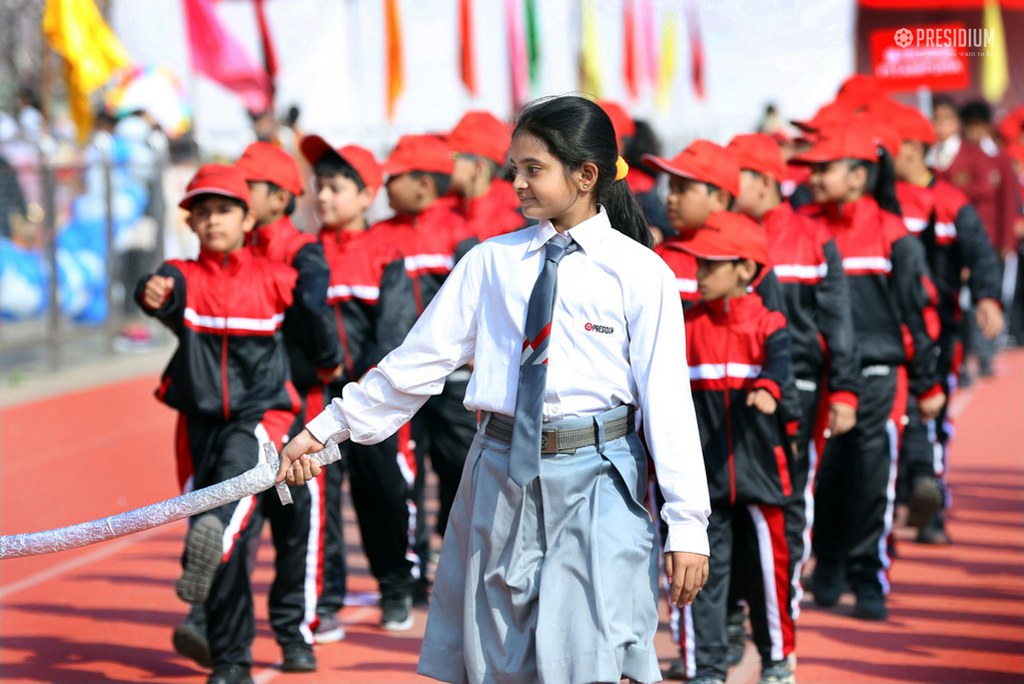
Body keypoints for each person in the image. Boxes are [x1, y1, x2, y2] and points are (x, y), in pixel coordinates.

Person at [276, 95, 711, 684]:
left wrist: (688, 524)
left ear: (586, 176)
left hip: (600, 479)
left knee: (591, 654)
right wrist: (323, 431)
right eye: (515, 168)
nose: (518, 184)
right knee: (501, 662)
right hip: (499, 476)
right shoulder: (491, 263)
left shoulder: (640, 272)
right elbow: (414, 366)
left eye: (534, 169)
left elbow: (668, 402)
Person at [135, 165, 299, 684]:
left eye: (223, 210)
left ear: (248, 218)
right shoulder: (185, 275)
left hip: (259, 419)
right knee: (219, 532)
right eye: (200, 213)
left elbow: (315, 337)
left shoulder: (276, 278)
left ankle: (235, 652)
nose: (211, 221)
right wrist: (149, 291)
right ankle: (224, 650)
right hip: (197, 423)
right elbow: (157, 289)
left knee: (225, 516)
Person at [794, 116, 945, 620]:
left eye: (825, 168)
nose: (814, 177)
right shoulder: (807, 226)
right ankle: (830, 562)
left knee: (871, 476)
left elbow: (919, 312)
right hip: (827, 378)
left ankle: (867, 575)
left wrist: (926, 383)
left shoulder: (891, 232)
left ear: (860, 175)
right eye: (811, 168)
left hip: (882, 375)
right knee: (828, 476)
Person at [728, 131, 860, 629]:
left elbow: (837, 321)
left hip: (799, 391)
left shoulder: (811, 237)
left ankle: (781, 609)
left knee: (787, 497)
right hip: (727, 389)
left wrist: (844, 389)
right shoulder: (716, 237)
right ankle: (734, 611)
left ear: (764, 183)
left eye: (734, 173)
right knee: (730, 501)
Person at [299, 134, 421, 632]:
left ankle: (396, 589)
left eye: (335, 187)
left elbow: (394, 332)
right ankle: (325, 603)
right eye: (319, 186)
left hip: (372, 403)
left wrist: (360, 393)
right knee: (319, 504)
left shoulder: (386, 253)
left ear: (368, 194)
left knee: (383, 496)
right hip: (312, 404)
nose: (323, 197)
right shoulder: (304, 252)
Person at [232, 141, 346, 671]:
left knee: (298, 516)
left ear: (279, 198)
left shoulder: (302, 252)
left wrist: (328, 366)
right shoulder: (231, 246)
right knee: (236, 517)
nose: (238, 196)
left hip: (301, 404)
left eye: (247, 187)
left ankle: (295, 631)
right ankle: (223, 637)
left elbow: (316, 317)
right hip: (242, 412)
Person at [674, 211, 800, 684]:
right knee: (697, 576)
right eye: (698, 264)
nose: (699, 274)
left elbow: (781, 360)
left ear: (746, 270)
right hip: (700, 484)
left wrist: (769, 385)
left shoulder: (768, 323)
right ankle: (705, 668)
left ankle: (777, 660)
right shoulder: (684, 326)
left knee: (770, 574)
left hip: (762, 477)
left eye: (710, 264)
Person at [368, 134, 478, 605]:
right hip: (400, 382)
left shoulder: (463, 233)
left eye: (393, 177)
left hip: (455, 383)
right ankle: (407, 578)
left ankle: (457, 568)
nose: (385, 186)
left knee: (460, 471)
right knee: (401, 479)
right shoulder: (378, 237)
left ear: (423, 184)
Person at [889, 101, 1004, 544]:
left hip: (941, 331)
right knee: (897, 419)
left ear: (915, 150)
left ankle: (929, 503)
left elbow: (980, 254)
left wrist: (988, 297)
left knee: (933, 415)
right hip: (888, 331)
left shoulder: (952, 203)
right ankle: (902, 498)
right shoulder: (883, 203)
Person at [446, 111, 526, 240]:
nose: (443, 163)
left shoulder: (521, 209)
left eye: (454, 156)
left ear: (479, 167)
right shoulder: (441, 205)